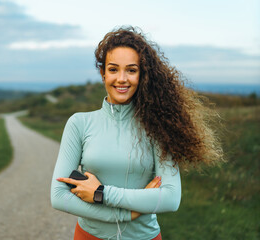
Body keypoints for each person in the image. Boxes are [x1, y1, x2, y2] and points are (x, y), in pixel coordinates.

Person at [51, 26, 223, 240]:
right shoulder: (79, 123)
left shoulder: (159, 126)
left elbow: (170, 198)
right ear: (103, 73)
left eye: (131, 70)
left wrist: (101, 193)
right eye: (113, 69)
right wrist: (127, 213)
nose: (122, 79)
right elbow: (58, 196)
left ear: (142, 76)